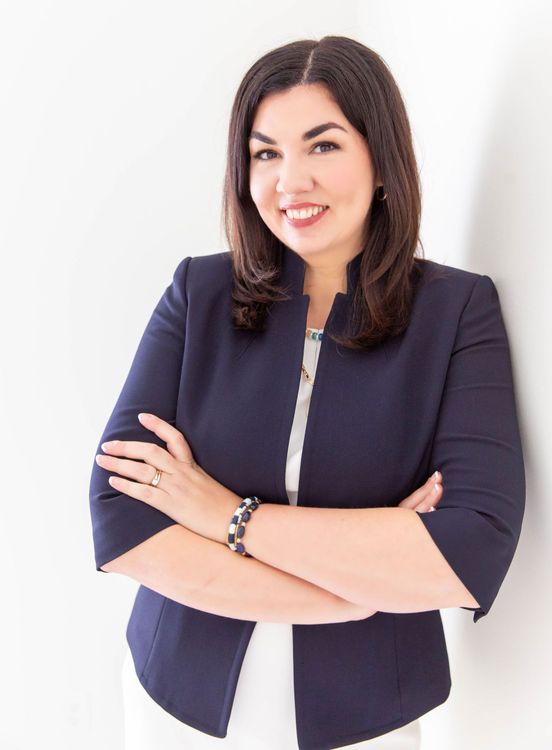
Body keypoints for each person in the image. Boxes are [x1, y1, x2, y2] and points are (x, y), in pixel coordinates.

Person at [89, 36, 526, 750]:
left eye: (322, 146)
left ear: (380, 159)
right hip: (178, 702)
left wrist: (223, 514)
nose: (291, 182)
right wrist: (359, 592)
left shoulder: (456, 312)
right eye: (266, 154)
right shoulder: (197, 293)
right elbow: (122, 521)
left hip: (368, 719)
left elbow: (469, 548)